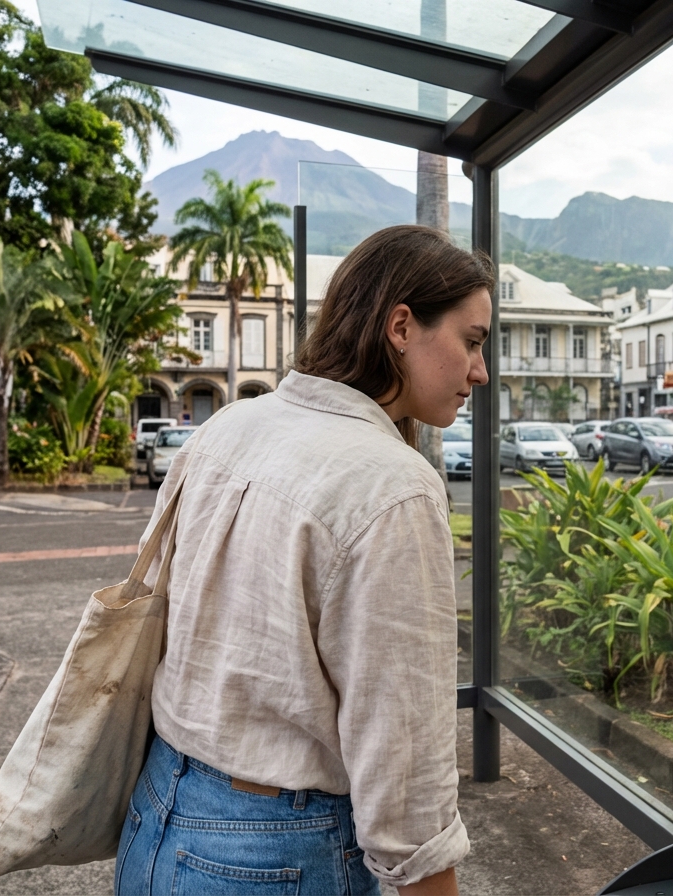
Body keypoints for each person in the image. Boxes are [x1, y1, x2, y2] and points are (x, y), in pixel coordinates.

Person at [115, 225, 494, 896]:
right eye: (471, 341)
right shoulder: (393, 484)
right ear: (400, 326)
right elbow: (402, 752)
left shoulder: (229, 426)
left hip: (156, 819)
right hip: (274, 854)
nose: (480, 372)